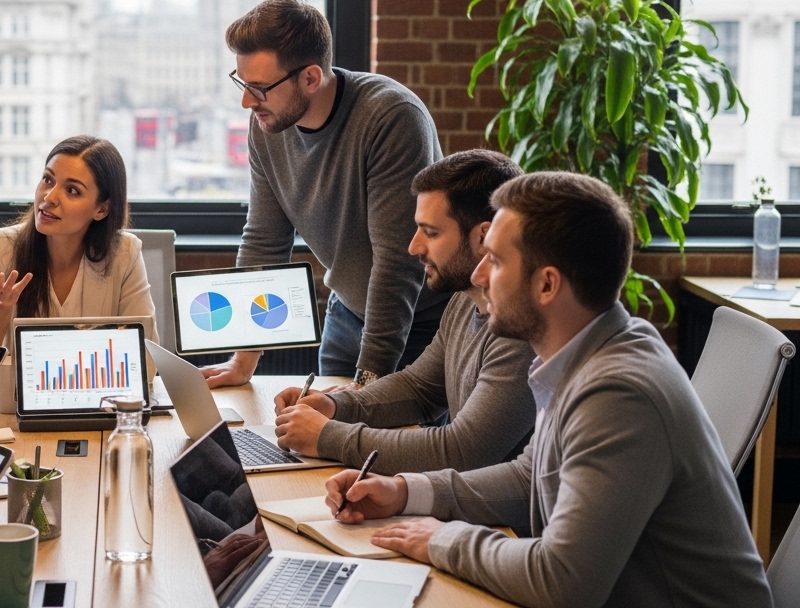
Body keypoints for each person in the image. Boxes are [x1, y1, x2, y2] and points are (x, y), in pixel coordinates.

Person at [324, 172, 772, 607]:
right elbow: (529, 477)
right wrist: (405, 491)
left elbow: (562, 582)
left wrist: (443, 537)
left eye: (496, 260)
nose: (479, 276)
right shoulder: (590, 354)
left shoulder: (619, 394)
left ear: (547, 284)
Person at [200, 0, 446, 389]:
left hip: (420, 322)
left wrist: (366, 387)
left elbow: (396, 264)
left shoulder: (391, 118)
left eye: (260, 88)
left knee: (390, 444)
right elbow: (265, 240)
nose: (247, 101)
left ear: (311, 78)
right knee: (321, 444)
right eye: (243, 83)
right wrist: (243, 360)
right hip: (346, 314)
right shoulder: (268, 125)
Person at [270, 150, 536, 475]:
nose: (414, 247)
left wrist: (328, 436)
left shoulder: (521, 329)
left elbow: (464, 451)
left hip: (496, 523)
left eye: (432, 232)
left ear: (484, 236)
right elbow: (420, 389)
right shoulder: (465, 301)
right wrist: (337, 405)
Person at [0, 136, 155, 348]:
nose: (49, 197)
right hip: (13, 384)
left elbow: (146, 353)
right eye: (48, 180)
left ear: (102, 209)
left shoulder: (124, 253)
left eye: (72, 190)